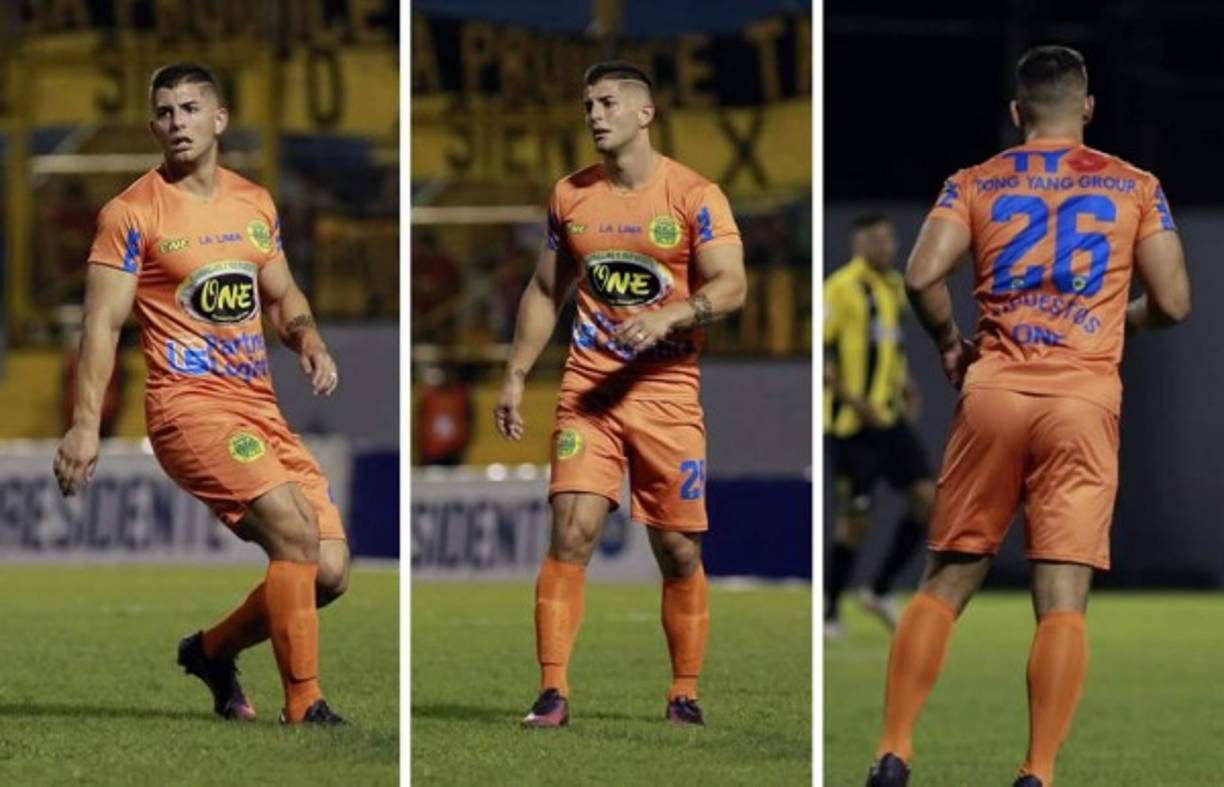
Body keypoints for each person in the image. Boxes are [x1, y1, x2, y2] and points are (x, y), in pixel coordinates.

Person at [865, 45, 1190, 787]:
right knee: (1062, 600)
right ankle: (1037, 771)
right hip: (1081, 400)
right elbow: (1174, 302)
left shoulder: (975, 181)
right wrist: (1123, 324)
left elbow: (920, 274)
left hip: (995, 392)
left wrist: (950, 343)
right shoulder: (1135, 185)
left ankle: (894, 748)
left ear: (1017, 113)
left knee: (946, 578)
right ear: (1088, 108)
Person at [52, 63, 351, 725]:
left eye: (189, 109)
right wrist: (84, 424)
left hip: (259, 407)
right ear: (152, 124)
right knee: (295, 536)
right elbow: (101, 321)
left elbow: (282, 293)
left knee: (328, 570)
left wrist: (307, 338)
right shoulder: (131, 212)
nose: (176, 122)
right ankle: (305, 704)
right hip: (189, 409)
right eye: (163, 112)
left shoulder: (254, 203)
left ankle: (212, 651)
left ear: (219, 119)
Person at [494, 61, 747, 728]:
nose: (595, 115)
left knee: (679, 549)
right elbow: (547, 290)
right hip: (589, 387)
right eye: (587, 106)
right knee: (572, 527)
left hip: (667, 391)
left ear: (645, 112)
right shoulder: (570, 196)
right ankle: (552, 690)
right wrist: (518, 371)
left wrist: (671, 315)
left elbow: (731, 286)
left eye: (608, 102)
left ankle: (683, 690)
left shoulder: (694, 195)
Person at [824, 214, 935, 639]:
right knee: (856, 519)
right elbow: (825, 351)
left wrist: (904, 382)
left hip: (888, 419)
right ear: (857, 244)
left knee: (927, 498)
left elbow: (889, 348)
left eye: (888, 238)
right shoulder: (840, 288)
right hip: (851, 425)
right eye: (874, 239)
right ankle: (830, 611)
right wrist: (853, 400)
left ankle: (879, 588)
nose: (884, 246)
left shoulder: (893, 289)